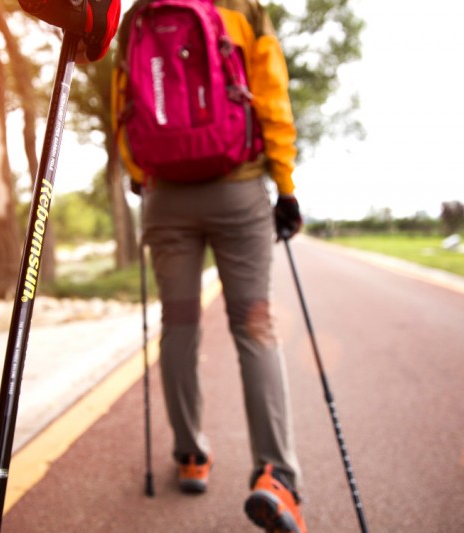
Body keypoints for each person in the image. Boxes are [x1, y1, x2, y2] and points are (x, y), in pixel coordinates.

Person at [111, 0, 306, 531]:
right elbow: (271, 97)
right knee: (254, 326)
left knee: (178, 327)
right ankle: (277, 477)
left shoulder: (137, 16)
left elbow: (122, 104)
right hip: (237, 187)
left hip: (166, 196)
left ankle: (191, 455)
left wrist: (140, 171)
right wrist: (284, 186)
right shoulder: (243, 8)